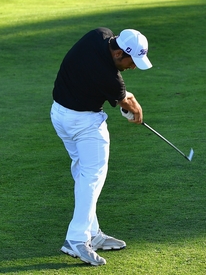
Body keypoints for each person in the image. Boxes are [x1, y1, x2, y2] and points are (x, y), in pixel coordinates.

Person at [50, 27, 152, 266]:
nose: (133, 66)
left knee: (82, 172)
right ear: (118, 54)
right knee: (92, 177)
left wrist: (126, 97)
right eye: (131, 61)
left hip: (59, 115)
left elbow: (117, 91)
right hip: (84, 123)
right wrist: (132, 106)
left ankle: (93, 234)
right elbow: (123, 100)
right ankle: (77, 239)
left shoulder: (98, 35)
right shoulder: (111, 78)